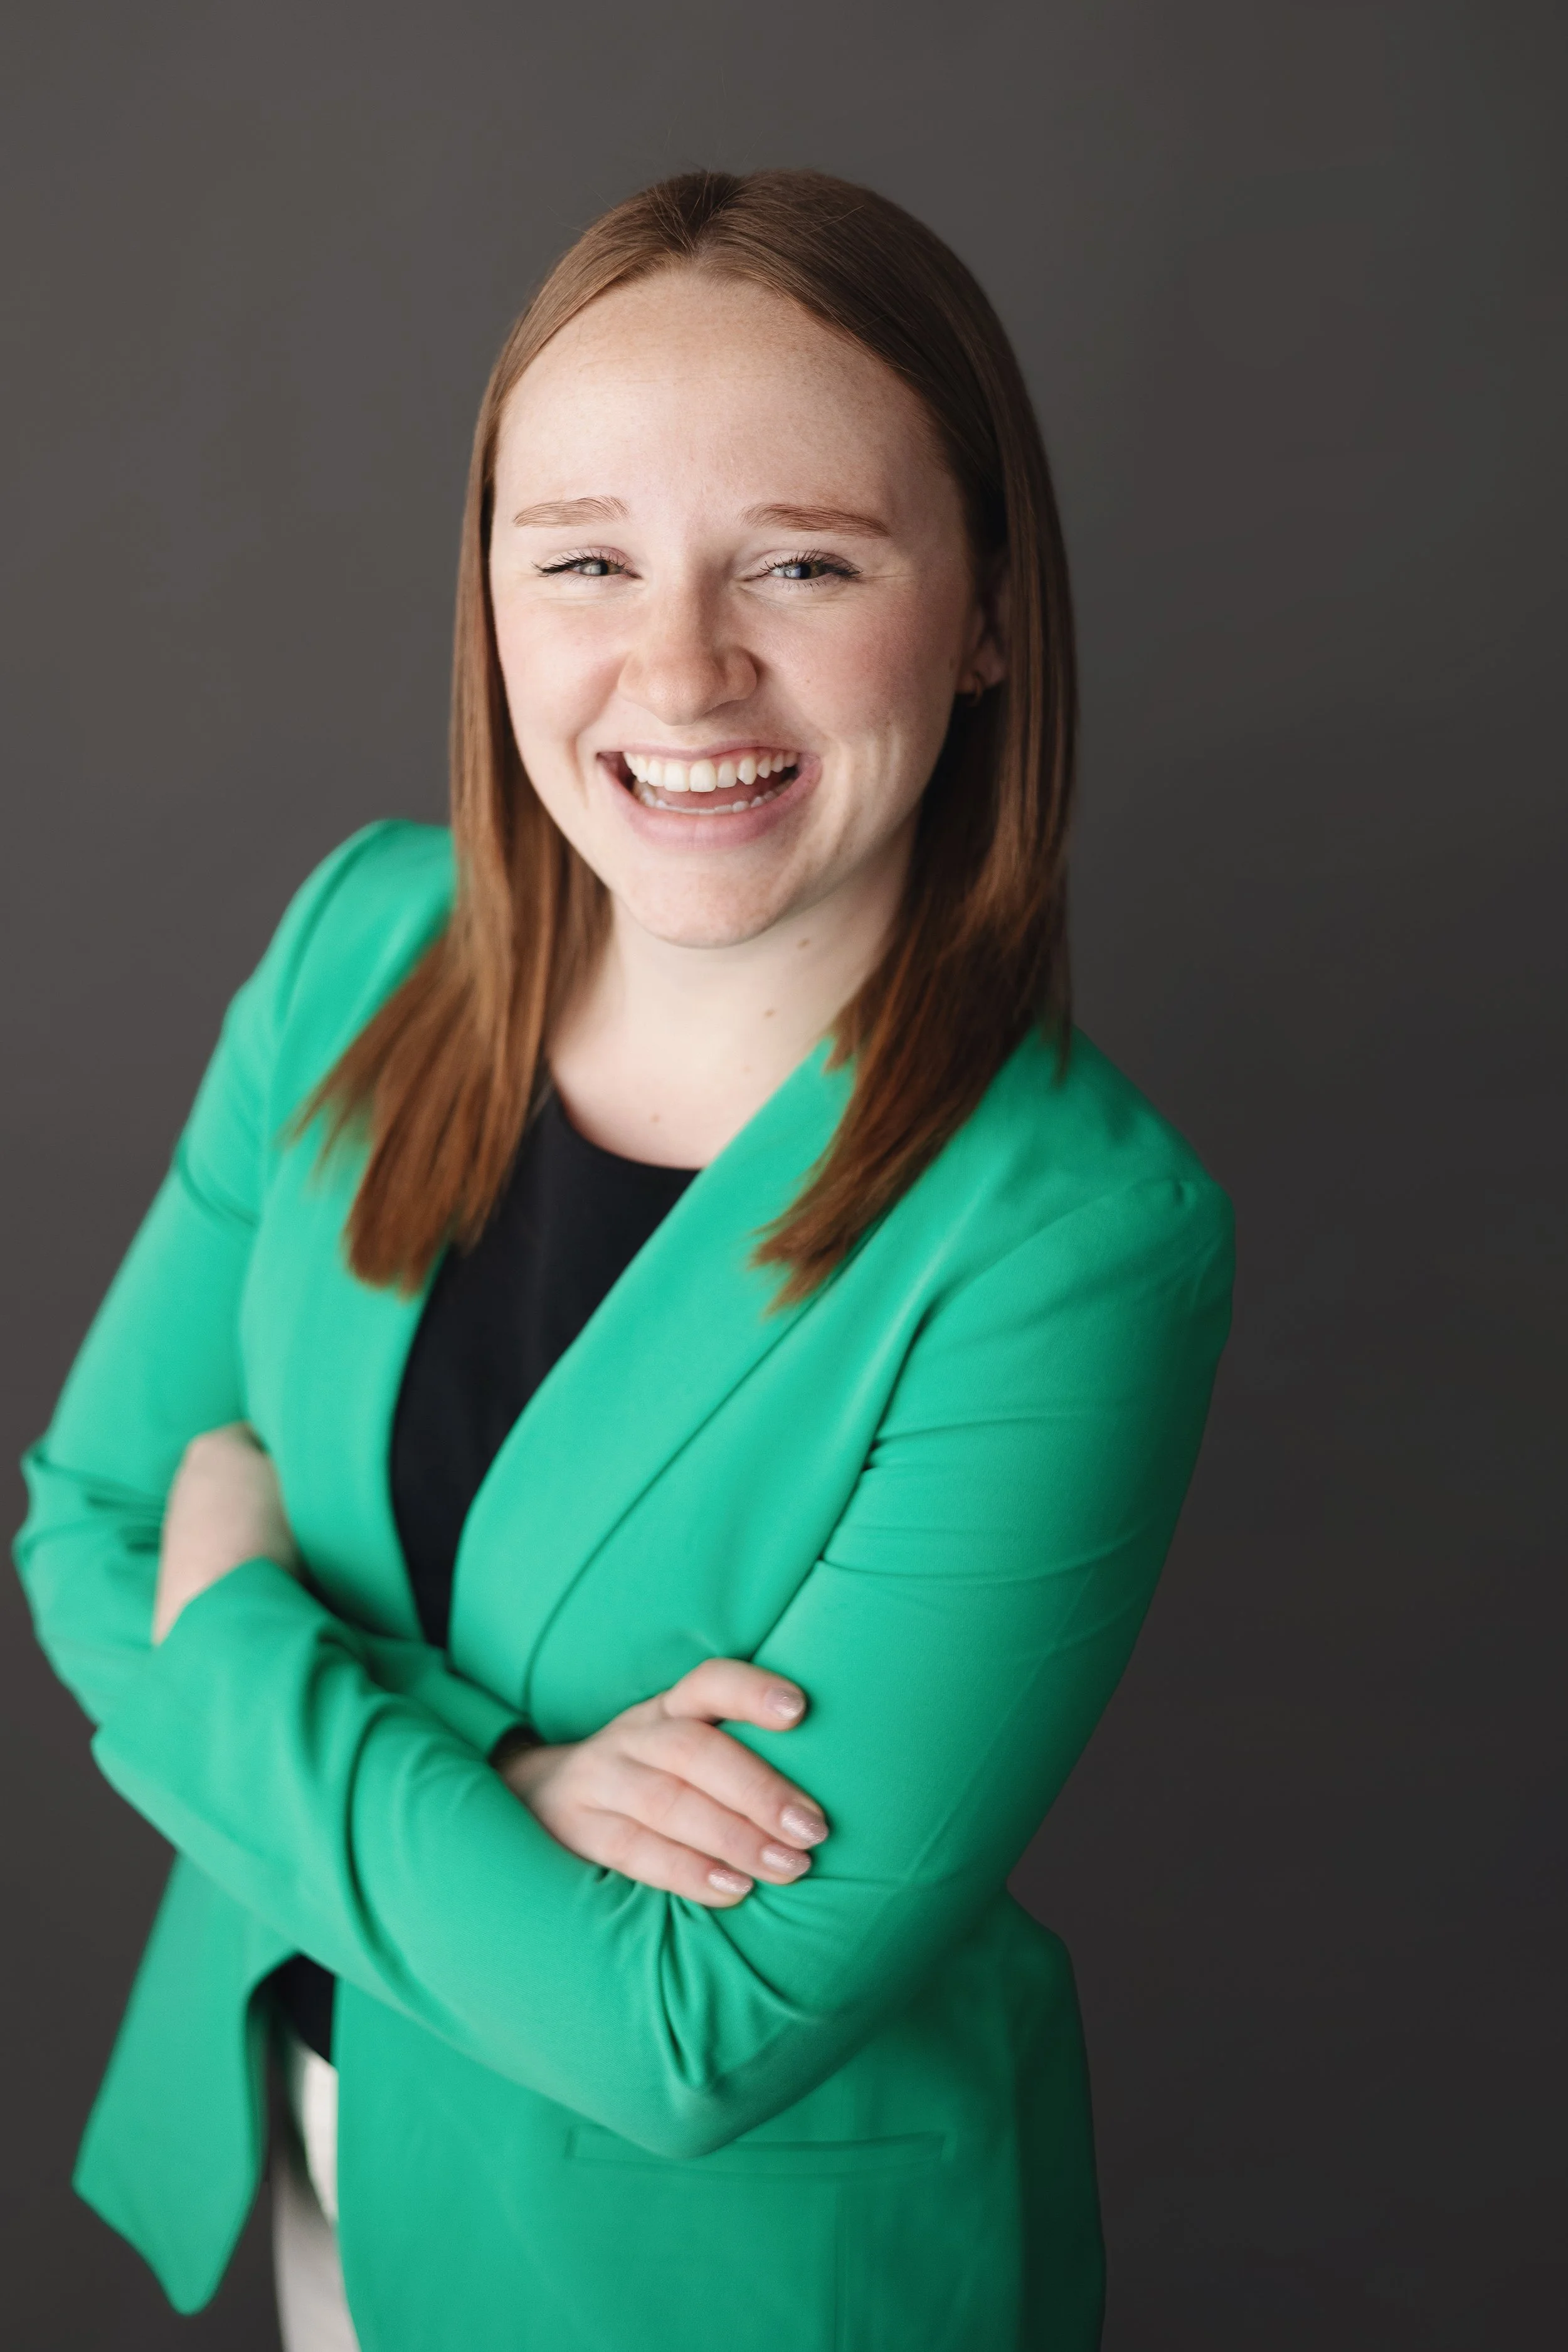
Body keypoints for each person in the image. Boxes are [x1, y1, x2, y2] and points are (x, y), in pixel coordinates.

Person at [14, 167, 1233, 2351]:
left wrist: (239, 1633)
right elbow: (90, 1522)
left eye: (801, 561)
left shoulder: (1073, 1243)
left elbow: (692, 2017)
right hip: (324, 2148)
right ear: (488, 594)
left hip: (712, 2285)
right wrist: (497, 1780)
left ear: (983, 613)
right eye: (583, 557)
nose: (678, 668)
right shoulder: (361, 943)